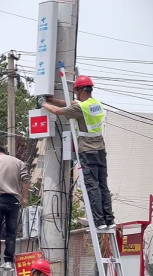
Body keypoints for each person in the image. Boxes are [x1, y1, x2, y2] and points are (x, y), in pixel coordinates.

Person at [38, 75, 115, 230]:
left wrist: (44, 103)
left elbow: (58, 111)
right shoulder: (96, 105)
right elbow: (71, 104)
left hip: (87, 151)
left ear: (81, 90)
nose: (75, 95)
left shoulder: (81, 108)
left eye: (76, 91)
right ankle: (109, 219)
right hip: (100, 150)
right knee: (103, 186)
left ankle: (98, 221)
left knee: (92, 186)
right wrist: (52, 100)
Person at [0, 146, 30, 270]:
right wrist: (24, 198)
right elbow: (26, 180)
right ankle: (8, 261)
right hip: (14, 201)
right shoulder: (19, 162)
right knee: (11, 233)